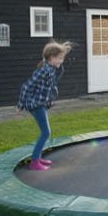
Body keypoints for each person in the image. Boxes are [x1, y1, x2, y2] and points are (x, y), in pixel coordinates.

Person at [17, 40, 72, 170]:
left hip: (39, 103)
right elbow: (26, 87)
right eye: (59, 58)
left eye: (62, 58)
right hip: (35, 104)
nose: (61, 61)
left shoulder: (51, 68)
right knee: (46, 132)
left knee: (45, 132)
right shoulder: (44, 70)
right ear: (52, 58)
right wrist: (20, 105)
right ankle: (34, 162)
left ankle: (38, 158)